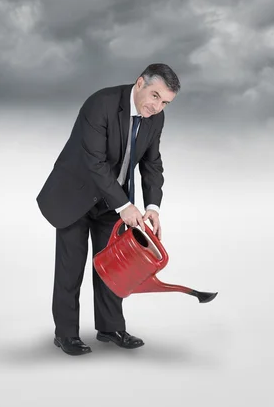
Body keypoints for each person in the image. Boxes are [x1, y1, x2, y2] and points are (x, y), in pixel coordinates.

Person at [36, 63, 180, 356]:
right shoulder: (100, 104)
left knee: (114, 267)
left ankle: (110, 327)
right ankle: (65, 334)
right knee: (70, 269)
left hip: (111, 203)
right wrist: (125, 205)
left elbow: (152, 164)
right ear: (140, 83)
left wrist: (152, 206)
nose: (157, 106)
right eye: (154, 96)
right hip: (74, 196)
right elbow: (95, 163)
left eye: (165, 102)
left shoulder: (156, 119)